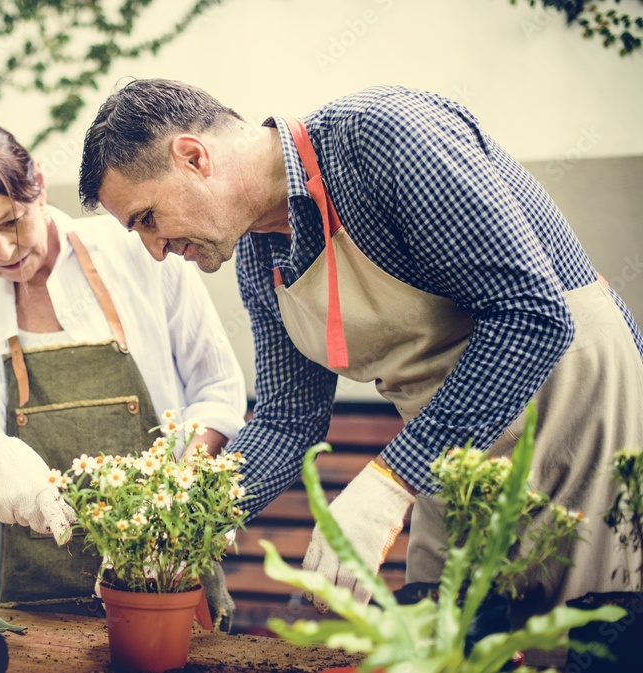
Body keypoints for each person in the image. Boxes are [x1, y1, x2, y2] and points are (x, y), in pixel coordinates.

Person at [77, 79, 643, 623]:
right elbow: (285, 419)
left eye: (148, 219)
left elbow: (531, 315)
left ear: (194, 156)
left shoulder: (384, 138)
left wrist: (390, 481)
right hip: (451, 448)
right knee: (443, 636)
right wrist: (176, 521)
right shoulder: (258, 256)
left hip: (575, 409)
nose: (154, 250)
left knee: (579, 638)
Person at [0, 113, 247, 622]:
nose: (4, 251)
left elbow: (218, 389)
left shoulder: (139, 247)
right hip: (42, 599)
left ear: (40, 186)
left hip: (165, 574)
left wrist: (174, 500)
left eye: (11, 221)